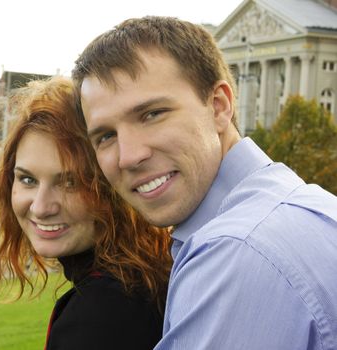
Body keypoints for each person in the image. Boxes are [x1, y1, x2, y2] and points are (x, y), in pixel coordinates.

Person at [72, 16, 337, 349]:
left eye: (152, 114)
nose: (128, 156)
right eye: (106, 136)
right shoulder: (301, 205)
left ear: (218, 107)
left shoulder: (235, 253)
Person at [0, 76, 172, 349]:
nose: (41, 207)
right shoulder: (144, 276)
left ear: (111, 189)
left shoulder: (100, 315)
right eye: (27, 179)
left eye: (71, 182)